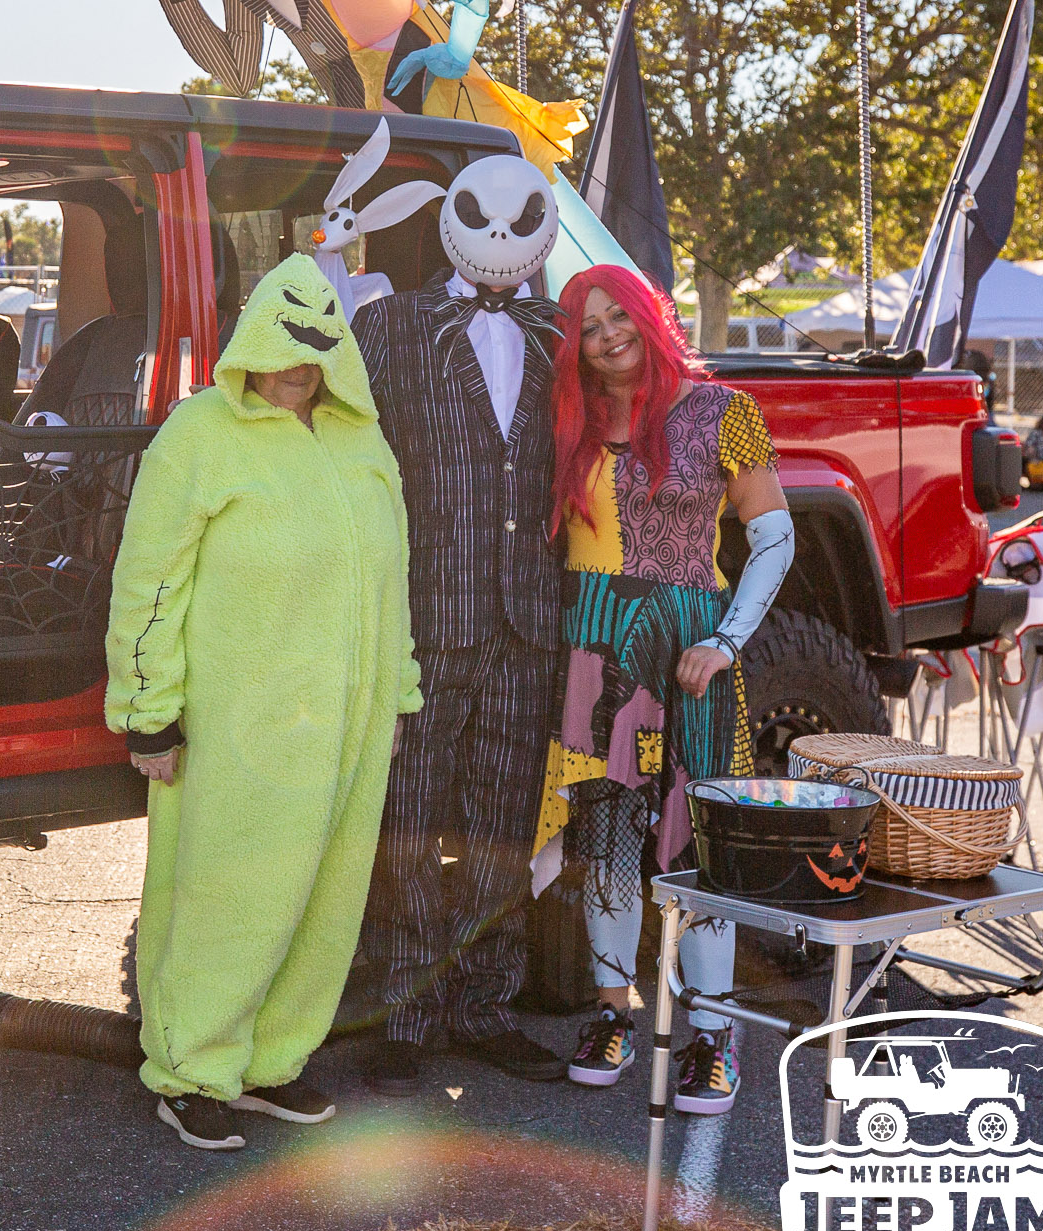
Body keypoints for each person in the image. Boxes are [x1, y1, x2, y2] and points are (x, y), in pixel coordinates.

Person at [105, 258, 419, 1150]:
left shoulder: (361, 438)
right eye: (284, 346)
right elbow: (150, 579)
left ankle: (271, 1058)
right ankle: (191, 1068)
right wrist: (148, 710)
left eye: (316, 351)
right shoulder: (199, 434)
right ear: (252, 337)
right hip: (238, 721)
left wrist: (398, 691)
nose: (297, 367)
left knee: (325, 893)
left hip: (349, 720)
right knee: (226, 892)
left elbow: (394, 573)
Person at [532, 265, 794, 1116]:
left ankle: (713, 1035)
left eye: (619, 315)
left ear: (649, 315)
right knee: (605, 835)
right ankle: (614, 1012)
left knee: (695, 841)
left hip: (689, 652)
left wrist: (725, 639)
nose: (607, 335)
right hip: (593, 648)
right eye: (588, 325)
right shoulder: (567, 420)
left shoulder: (723, 410)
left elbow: (775, 538)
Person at [352, 155, 570, 1094]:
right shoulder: (389, 325)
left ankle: (484, 1005)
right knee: (404, 814)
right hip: (425, 617)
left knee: (503, 821)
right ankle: (404, 1012)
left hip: (529, 618)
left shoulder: (563, 335)